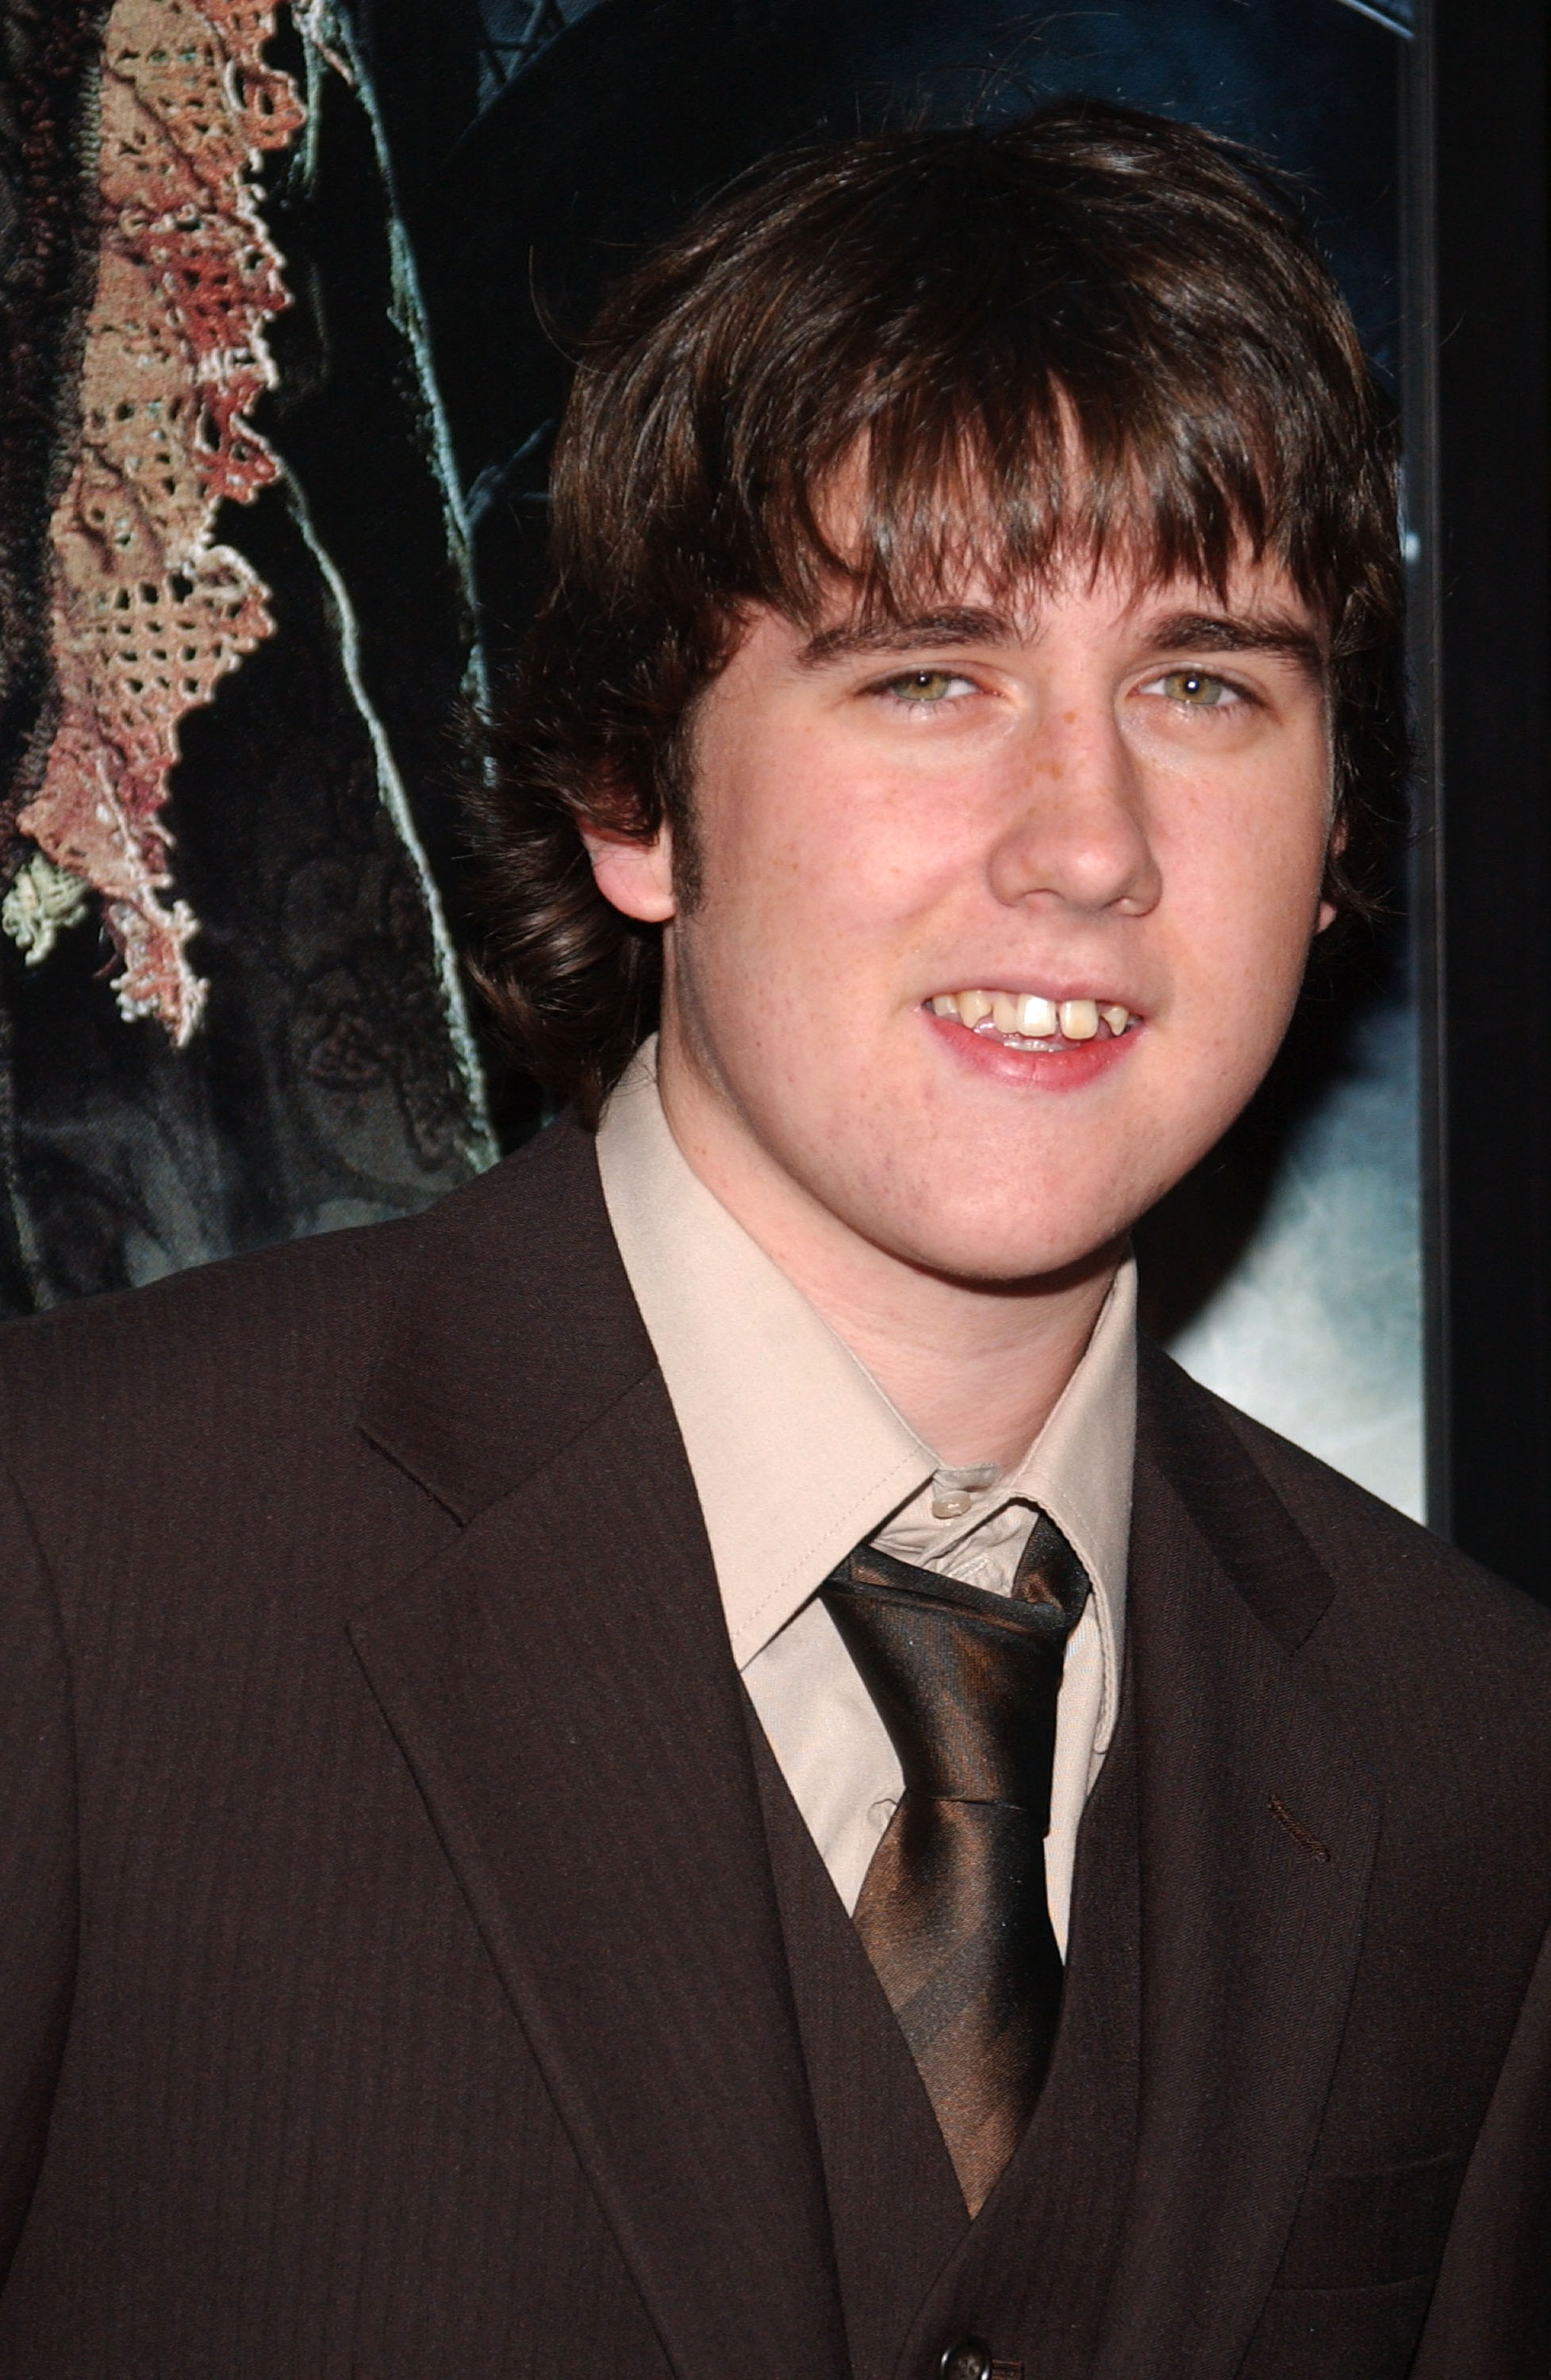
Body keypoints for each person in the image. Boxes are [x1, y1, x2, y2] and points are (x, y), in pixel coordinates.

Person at [0, 100, 1546, 2380]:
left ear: (1332, 835)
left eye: (1203, 686)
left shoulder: (1469, 1744)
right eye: (926, 674)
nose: (1086, 843)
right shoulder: (63, 1556)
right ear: (633, 796)